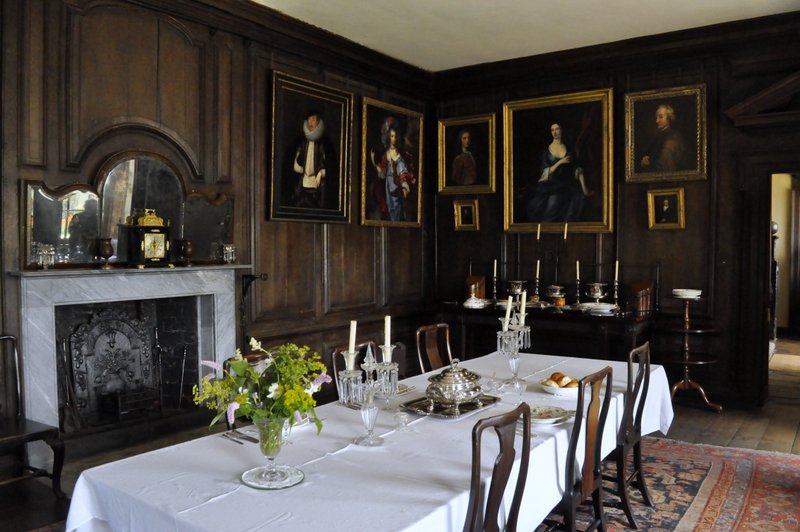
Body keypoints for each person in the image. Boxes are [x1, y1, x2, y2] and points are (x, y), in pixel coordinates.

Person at [526, 122, 591, 222]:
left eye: (557, 129)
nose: (554, 132)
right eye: (552, 130)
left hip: (567, 185)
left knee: (575, 207)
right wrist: (560, 162)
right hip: (552, 186)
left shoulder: (569, 149)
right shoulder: (546, 152)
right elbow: (545, 173)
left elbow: (577, 169)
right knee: (551, 209)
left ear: (561, 130)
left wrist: (585, 188)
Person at [370, 116, 416, 221]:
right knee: (389, 206)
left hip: (396, 183)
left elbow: (402, 169)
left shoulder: (400, 155)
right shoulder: (385, 154)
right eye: (391, 136)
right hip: (388, 184)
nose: (394, 139)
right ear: (387, 137)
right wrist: (375, 163)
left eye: (395, 136)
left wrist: (404, 184)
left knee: (397, 205)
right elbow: (382, 174)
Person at [290, 111, 329, 208]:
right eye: (309, 119)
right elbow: (296, 163)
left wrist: (320, 174)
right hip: (302, 183)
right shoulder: (302, 141)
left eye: (313, 120)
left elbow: (329, 166)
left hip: (317, 185)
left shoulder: (323, 143)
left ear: (318, 122)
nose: (310, 122)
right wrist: (299, 168)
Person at [639, 104, 689, 173]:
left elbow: (665, 164)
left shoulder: (672, 136)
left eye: (660, 117)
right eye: (656, 117)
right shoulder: (660, 134)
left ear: (669, 119)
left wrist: (648, 162)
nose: (657, 121)